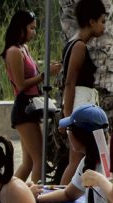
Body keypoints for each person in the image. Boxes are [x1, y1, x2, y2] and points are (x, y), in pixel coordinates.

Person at [1, 10, 61, 183]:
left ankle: (7, 192)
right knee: (39, 160)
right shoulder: (14, 51)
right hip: (24, 108)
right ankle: (34, 196)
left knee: (28, 163)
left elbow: (33, 76)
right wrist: (45, 75)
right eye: (31, 28)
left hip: (31, 107)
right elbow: (21, 85)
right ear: (21, 28)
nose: (34, 32)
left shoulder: (24, 48)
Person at [59, 0, 107, 185]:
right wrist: (68, 117)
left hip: (82, 104)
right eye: (102, 21)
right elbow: (70, 82)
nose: (104, 26)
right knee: (76, 159)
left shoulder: (74, 44)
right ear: (91, 21)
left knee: (78, 159)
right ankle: (63, 194)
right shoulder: (79, 46)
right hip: (80, 105)